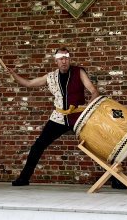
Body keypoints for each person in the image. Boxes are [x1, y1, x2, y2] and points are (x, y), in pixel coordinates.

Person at [8, 46, 100, 186]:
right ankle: (24, 178)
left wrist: (88, 107)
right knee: (38, 146)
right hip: (58, 117)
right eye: (61, 58)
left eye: (66, 58)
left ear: (70, 59)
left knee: (96, 144)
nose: (64, 61)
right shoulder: (50, 77)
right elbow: (29, 83)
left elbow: (94, 91)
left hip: (78, 116)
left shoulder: (78, 72)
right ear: (56, 61)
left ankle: (116, 178)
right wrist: (14, 75)